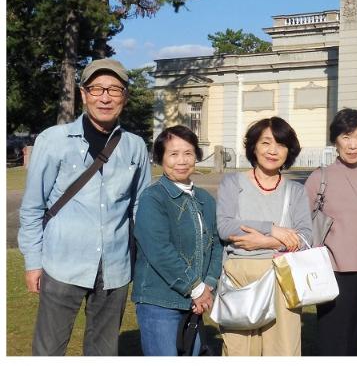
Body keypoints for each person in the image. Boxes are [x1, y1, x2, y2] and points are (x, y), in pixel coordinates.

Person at [18, 58, 151, 356]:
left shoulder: (135, 147)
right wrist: (32, 261)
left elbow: (140, 208)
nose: (105, 97)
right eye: (97, 89)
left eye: (114, 90)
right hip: (61, 264)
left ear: (125, 97)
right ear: (83, 94)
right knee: (49, 351)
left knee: (103, 353)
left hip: (115, 270)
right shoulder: (53, 141)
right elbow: (32, 207)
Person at [215, 117, 312, 356]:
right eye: (266, 142)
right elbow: (226, 227)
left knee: (283, 351)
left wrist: (265, 241)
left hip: (283, 282)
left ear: (289, 151)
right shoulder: (232, 182)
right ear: (254, 146)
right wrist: (273, 229)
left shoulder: (296, 190)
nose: (272, 150)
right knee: (238, 351)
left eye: (280, 144)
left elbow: (307, 238)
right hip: (239, 281)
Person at [304, 108, 357, 355]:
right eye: (346, 137)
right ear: (335, 141)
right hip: (332, 273)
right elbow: (302, 226)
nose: (353, 145)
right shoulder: (320, 177)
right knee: (332, 341)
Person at [132, 125, 222, 355]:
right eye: (173, 154)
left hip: (195, 302)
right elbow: (160, 251)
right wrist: (196, 288)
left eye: (188, 153)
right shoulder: (153, 198)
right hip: (159, 301)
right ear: (161, 158)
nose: (181, 160)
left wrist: (208, 284)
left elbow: (216, 243)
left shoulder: (204, 199)